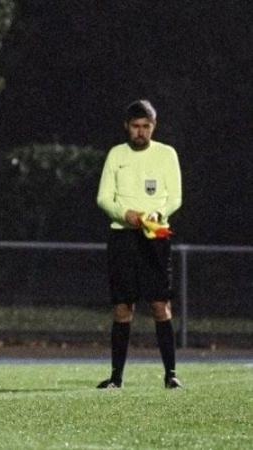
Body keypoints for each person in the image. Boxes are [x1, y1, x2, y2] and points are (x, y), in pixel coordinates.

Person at [96, 99, 183, 389]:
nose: (140, 132)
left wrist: (158, 214)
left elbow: (175, 197)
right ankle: (116, 378)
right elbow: (104, 197)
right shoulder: (116, 155)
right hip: (122, 235)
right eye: (135, 126)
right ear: (127, 127)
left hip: (156, 235)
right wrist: (126, 214)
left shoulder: (167, 154)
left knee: (160, 305)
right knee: (123, 308)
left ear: (153, 127)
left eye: (146, 126)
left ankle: (171, 375)